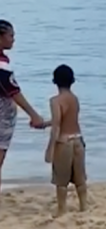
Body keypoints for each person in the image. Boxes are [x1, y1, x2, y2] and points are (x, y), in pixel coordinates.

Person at [0, 20, 47, 195]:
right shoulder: (1, 65)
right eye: (11, 36)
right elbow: (13, 91)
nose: (13, 40)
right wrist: (34, 115)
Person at [44, 65, 87, 216]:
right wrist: (45, 123)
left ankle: (62, 209)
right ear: (72, 81)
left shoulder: (55, 101)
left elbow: (57, 126)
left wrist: (50, 149)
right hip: (78, 140)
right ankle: (83, 206)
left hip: (64, 143)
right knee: (80, 179)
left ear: (55, 81)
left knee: (61, 181)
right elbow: (68, 119)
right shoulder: (74, 99)